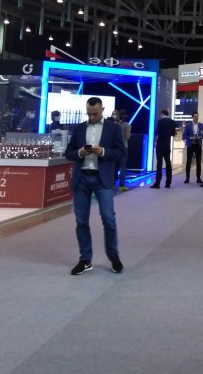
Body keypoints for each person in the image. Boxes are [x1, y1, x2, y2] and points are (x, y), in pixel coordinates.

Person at [64, 96, 126, 275]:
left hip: (102, 178)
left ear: (102, 110)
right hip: (81, 179)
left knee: (108, 218)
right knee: (81, 221)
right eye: (89, 114)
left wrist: (104, 151)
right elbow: (68, 153)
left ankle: (113, 256)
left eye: (95, 114)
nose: (91, 117)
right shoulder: (79, 128)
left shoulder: (113, 128)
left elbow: (121, 152)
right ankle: (85, 260)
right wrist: (80, 153)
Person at [152, 109, 177, 188]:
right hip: (167, 144)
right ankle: (168, 183)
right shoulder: (172, 121)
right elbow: (173, 134)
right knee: (168, 163)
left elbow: (157, 132)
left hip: (160, 144)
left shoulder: (160, 121)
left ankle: (157, 183)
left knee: (159, 163)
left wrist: (155, 141)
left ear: (162, 114)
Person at [182, 111, 203, 183]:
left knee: (198, 162)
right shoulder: (188, 125)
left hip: (198, 144)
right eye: (195, 116)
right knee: (188, 161)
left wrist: (200, 137)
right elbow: (184, 135)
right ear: (192, 117)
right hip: (190, 144)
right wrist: (190, 138)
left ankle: (198, 178)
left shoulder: (201, 125)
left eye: (197, 116)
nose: (196, 117)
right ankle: (187, 178)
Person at [117, 109, 131, 191]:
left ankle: (112, 184)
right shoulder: (127, 125)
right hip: (124, 147)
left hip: (115, 147)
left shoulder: (115, 124)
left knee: (114, 166)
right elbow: (127, 137)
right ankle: (121, 185)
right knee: (122, 166)